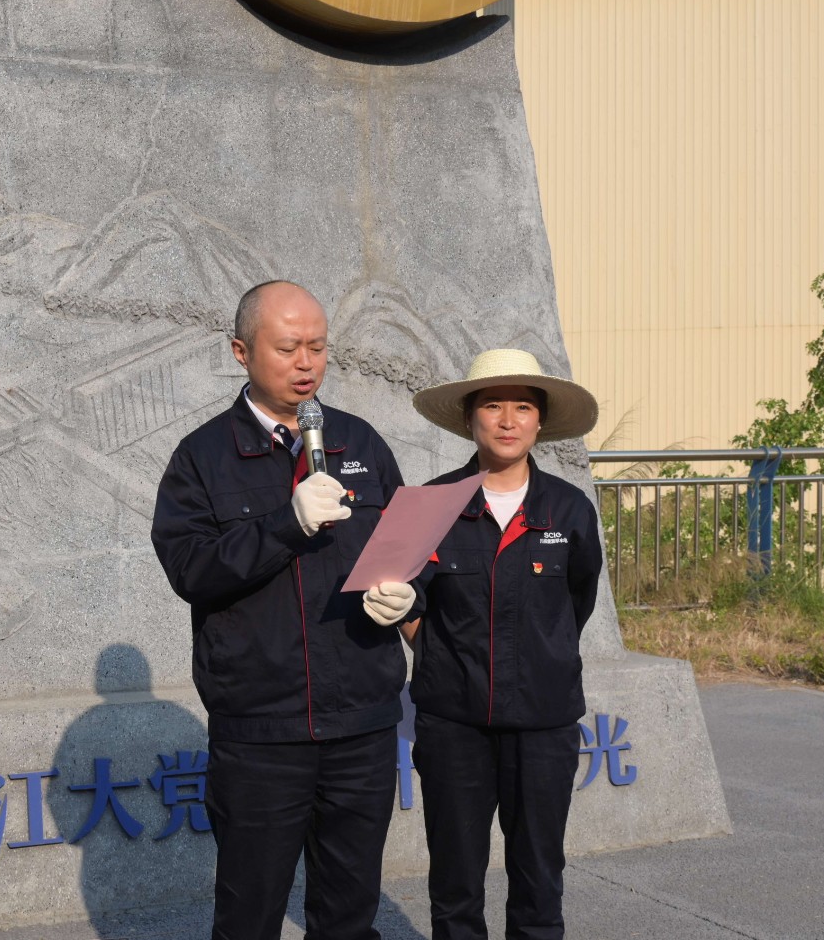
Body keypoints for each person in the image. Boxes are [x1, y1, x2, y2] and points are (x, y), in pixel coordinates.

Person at [150, 280, 417, 940]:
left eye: (318, 348)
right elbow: (190, 570)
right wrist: (283, 526)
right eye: (288, 348)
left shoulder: (360, 442)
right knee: (249, 914)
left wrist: (410, 592)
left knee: (349, 915)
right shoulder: (202, 457)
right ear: (241, 351)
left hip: (361, 724)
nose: (306, 363)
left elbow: (407, 547)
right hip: (261, 733)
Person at [403, 348, 604, 940]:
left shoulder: (569, 509)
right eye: (493, 405)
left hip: (543, 723)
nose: (508, 420)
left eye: (523, 407)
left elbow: (577, 602)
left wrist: (537, 655)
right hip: (453, 724)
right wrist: (434, 651)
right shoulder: (430, 503)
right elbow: (404, 598)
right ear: (470, 418)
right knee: (454, 884)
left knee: (539, 882)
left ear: (541, 421)